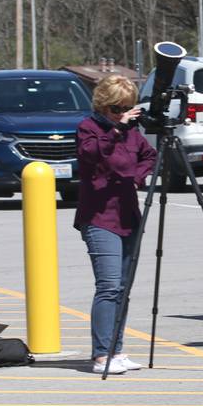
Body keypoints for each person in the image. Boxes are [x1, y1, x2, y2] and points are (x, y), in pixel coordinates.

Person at [74, 75, 156, 374]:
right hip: (99, 218)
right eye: (116, 108)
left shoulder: (132, 133)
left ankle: (116, 350)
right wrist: (117, 128)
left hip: (127, 216)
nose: (123, 113)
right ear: (103, 106)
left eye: (127, 107)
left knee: (122, 288)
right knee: (108, 286)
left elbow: (150, 154)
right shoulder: (89, 128)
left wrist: (135, 178)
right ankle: (100, 354)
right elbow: (92, 153)